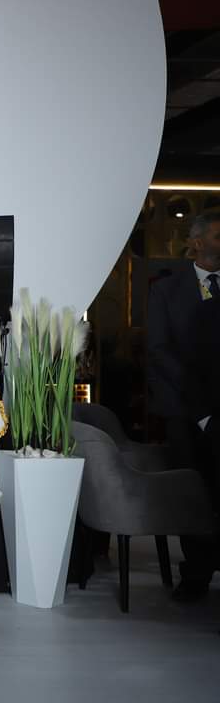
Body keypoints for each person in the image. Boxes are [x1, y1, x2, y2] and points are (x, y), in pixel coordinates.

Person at [150, 211, 220, 601]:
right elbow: (159, 350)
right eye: (218, 236)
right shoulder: (166, 290)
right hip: (183, 410)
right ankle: (196, 575)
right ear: (197, 243)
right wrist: (200, 400)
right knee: (194, 493)